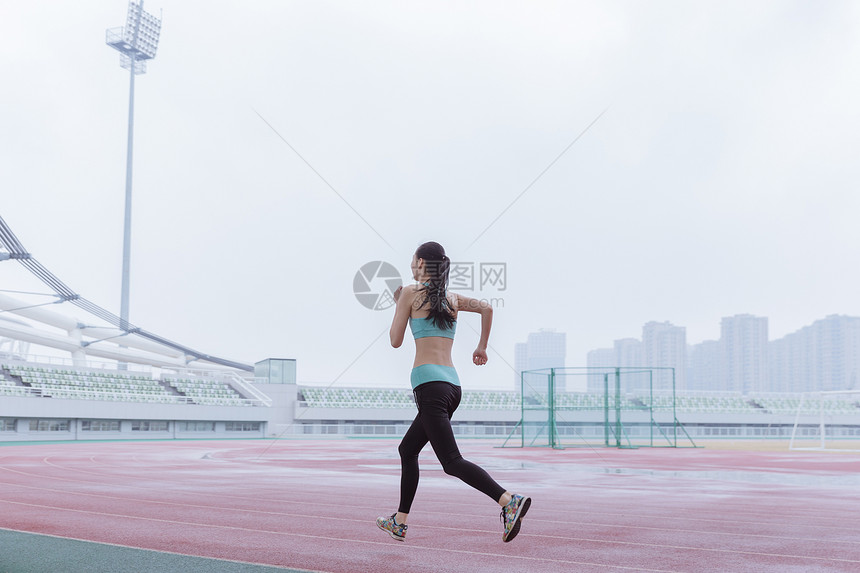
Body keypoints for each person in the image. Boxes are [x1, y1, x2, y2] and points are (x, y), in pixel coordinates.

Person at [376, 241, 530, 543]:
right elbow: (486, 307)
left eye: (412, 260)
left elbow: (395, 340)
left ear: (421, 263)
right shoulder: (452, 298)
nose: (410, 265)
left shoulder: (409, 293)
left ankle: (508, 500)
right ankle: (400, 521)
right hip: (451, 387)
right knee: (408, 450)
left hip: (429, 386)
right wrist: (481, 346)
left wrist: (400, 306)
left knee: (451, 462)